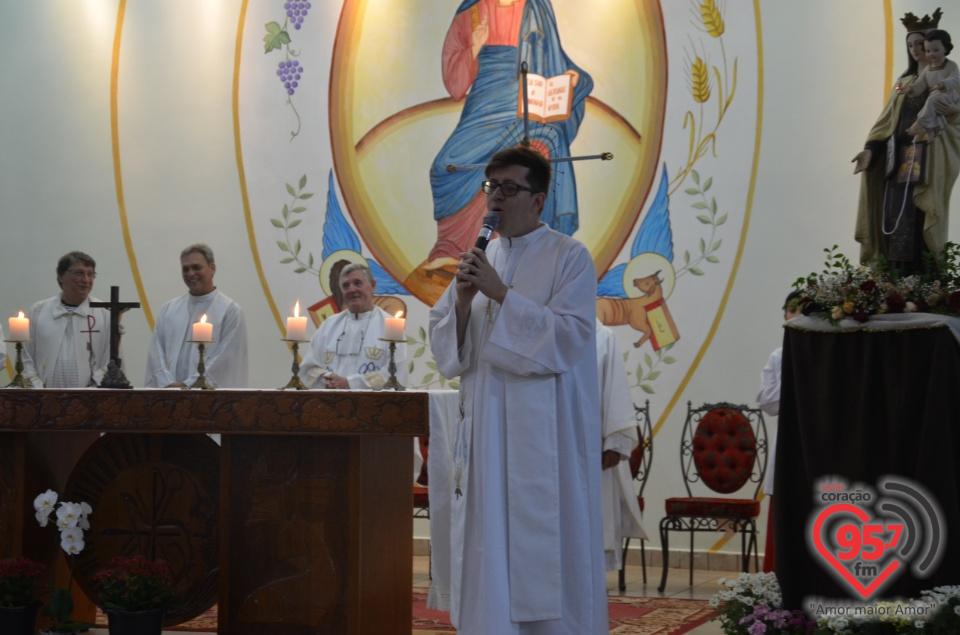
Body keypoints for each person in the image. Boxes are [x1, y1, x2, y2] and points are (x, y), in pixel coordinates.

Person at [429, 146, 606, 633]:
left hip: (541, 441)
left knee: (541, 545)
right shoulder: (482, 256)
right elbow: (448, 347)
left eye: (509, 188)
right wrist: (463, 302)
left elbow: (566, 340)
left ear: (539, 200)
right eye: (491, 188)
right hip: (486, 434)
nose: (495, 200)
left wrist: (500, 293)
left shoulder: (569, 257)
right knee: (489, 543)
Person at [408, 0, 593, 304]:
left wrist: (575, 79)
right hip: (485, 99)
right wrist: (472, 49)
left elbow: (556, 59)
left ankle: (538, 254)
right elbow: (455, 83)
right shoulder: (473, 10)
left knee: (542, 143)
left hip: (525, 100)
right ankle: (452, 250)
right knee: (445, 167)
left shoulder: (536, 8)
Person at [853, 9, 960, 274]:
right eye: (910, 45)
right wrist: (871, 150)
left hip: (928, 159)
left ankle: (924, 282)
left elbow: (956, 125)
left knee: (920, 217)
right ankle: (894, 280)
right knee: (895, 218)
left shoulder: (948, 82)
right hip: (898, 160)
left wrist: (943, 126)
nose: (915, 50)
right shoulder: (904, 83)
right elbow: (886, 124)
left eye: (920, 44)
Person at [145, 244, 248, 388]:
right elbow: (156, 354)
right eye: (185, 269)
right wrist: (169, 385)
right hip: (169, 394)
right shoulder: (168, 309)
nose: (190, 273)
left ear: (212, 269)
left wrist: (187, 385)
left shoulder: (229, 311)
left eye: (196, 267)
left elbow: (225, 359)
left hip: (208, 397)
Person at [298, 262, 407, 389]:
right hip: (331, 404)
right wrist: (327, 378)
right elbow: (308, 368)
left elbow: (395, 371)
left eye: (357, 283)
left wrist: (350, 383)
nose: (351, 289)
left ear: (372, 285)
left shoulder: (391, 325)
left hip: (372, 406)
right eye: (346, 286)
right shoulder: (328, 326)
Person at [756, 290, 803, 573]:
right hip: (788, 445)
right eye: (791, 310)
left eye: (802, 310)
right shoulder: (778, 356)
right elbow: (767, 402)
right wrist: (797, 371)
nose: (795, 316)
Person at [596, 320, 646, 572]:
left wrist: (615, 443)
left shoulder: (601, 336)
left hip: (590, 446)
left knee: (593, 524)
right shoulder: (539, 334)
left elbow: (615, 390)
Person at [21, 251, 113, 388]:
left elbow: (110, 360)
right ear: (60, 275)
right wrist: (38, 390)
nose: (86, 280)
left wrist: (92, 390)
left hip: (90, 400)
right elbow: (26, 357)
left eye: (90, 274)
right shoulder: (38, 311)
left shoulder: (104, 314)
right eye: (79, 273)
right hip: (42, 399)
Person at [904, 30, 960, 141]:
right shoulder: (927, 70)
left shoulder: (951, 66)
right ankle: (930, 132)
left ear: (945, 48)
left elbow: (955, 79)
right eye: (928, 51)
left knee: (932, 99)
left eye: (936, 50)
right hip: (935, 97)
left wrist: (943, 84)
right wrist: (910, 88)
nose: (931, 54)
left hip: (948, 95)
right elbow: (920, 83)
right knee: (932, 100)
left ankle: (920, 123)